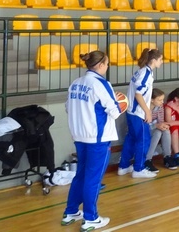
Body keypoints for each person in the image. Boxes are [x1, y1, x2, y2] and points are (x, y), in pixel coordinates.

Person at [61, 50, 121, 231]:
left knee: (81, 175)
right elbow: (115, 112)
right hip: (97, 138)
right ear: (101, 65)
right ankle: (91, 218)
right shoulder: (102, 84)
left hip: (79, 136)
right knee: (93, 178)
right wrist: (119, 103)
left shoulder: (75, 83)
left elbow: (67, 107)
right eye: (107, 63)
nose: (108, 66)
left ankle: (71, 211)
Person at [118, 48, 163, 179]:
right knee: (144, 140)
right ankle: (139, 168)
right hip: (138, 113)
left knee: (131, 139)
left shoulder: (142, 71)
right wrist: (148, 111)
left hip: (131, 111)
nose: (162, 62)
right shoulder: (146, 74)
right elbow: (138, 94)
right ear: (153, 60)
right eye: (160, 59)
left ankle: (124, 166)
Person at [146, 88, 174, 172]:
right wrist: (156, 125)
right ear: (151, 100)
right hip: (144, 130)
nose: (162, 102)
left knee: (166, 130)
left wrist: (163, 126)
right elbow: (143, 126)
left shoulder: (160, 107)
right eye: (159, 100)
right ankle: (147, 160)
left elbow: (160, 121)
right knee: (157, 133)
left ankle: (167, 157)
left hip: (154, 127)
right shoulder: (145, 108)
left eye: (163, 99)